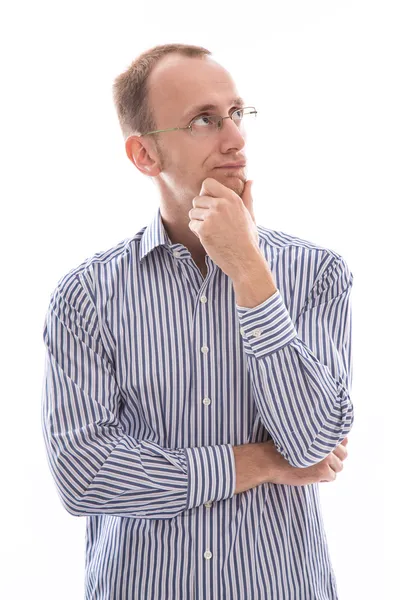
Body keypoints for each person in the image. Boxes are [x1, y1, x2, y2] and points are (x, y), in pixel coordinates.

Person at [41, 43, 354, 600]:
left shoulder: (317, 274)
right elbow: (84, 475)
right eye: (204, 121)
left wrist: (250, 276)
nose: (236, 138)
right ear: (144, 155)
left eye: (236, 113)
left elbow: (312, 447)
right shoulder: (85, 296)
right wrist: (256, 462)